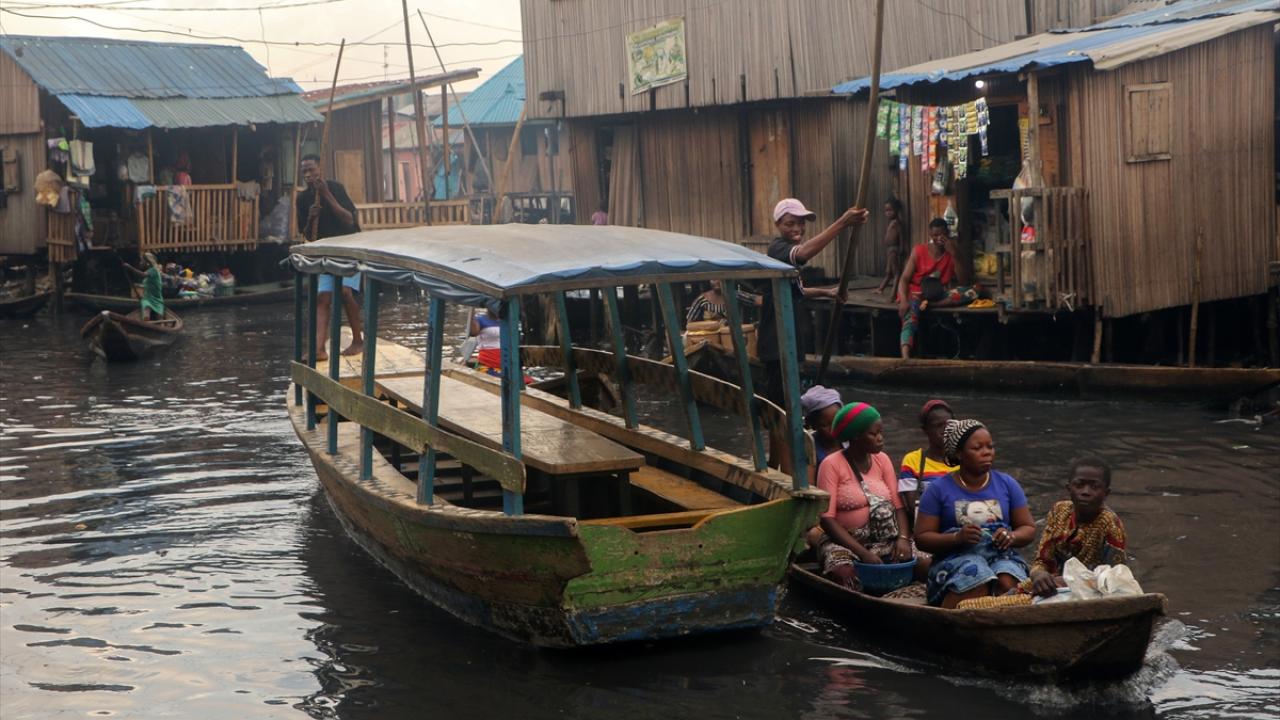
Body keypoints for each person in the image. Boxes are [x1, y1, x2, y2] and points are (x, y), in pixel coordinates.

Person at [757, 198, 869, 472]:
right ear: (778, 225)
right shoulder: (779, 249)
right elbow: (804, 253)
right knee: (785, 412)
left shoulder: (785, 259)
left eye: (800, 223)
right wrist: (843, 223)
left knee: (782, 408)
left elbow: (798, 290)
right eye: (790, 223)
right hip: (778, 344)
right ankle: (787, 474)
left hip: (786, 344)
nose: (797, 228)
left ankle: (774, 465)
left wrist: (828, 292)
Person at [914, 419, 1036, 608]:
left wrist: (1011, 536)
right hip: (956, 558)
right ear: (959, 453)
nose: (987, 452)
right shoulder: (938, 490)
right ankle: (951, 618)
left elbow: (1028, 528)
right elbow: (922, 538)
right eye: (977, 448)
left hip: (1000, 556)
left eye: (990, 446)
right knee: (976, 578)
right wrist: (957, 538)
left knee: (1007, 580)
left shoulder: (1007, 484)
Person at [815, 402, 929, 590]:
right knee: (847, 576)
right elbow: (827, 519)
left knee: (926, 565)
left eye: (881, 432)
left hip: (887, 539)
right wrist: (863, 553)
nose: (880, 438)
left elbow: (899, 506)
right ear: (855, 436)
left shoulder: (882, 459)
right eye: (873, 434)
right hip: (845, 544)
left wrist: (902, 538)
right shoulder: (831, 464)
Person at [1021, 456, 1127, 597]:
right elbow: (1042, 560)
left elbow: (1115, 578)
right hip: (1048, 584)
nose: (1086, 491)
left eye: (1094, 487)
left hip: (1089, 593)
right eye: (1079, 485)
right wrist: (1038, 574)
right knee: (1008, 595)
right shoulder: (1059, 510)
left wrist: (1067, 581)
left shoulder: (1110, 524)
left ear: (1106, 493)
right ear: (1069, 488)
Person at [297, 154, 363, 361]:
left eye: (311, 170)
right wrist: (311, 217)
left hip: (347, 248)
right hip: (326, 252)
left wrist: (326, 195)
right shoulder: (303, 199)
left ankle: (358, 341)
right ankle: (319, 348)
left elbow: (350, 220)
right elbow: (308, 235)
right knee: (323, 297)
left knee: (344, 292)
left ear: (320, 169)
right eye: (304, 171)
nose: (308, 175)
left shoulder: (335, 188)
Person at [895, 218, 955, 359]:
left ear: (947, 234)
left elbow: (964, 280)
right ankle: (905, 356)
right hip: (916, 294)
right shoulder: (919, 250)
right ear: (930, 235)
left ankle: (930, 305)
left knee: (974, 290)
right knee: (911, 316)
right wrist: (903, 300)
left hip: (936, 296)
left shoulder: (951, 253)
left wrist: (955, 253)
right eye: (935, 235)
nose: (938, 238)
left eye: (941, 235)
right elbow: (904, 279)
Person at [897, 399, 958, 524]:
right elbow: (913, 507)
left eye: (949, 424)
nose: (945, 430)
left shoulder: (964, 458)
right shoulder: (912, 461)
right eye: (938, 425)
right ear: (925, 430)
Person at [122, 252, 165, 321]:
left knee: (160, 318)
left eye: (142, 261)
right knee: (146, 311)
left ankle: (158, 323)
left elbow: (142, 275)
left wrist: (130, 267)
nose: (140, 263)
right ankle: (146, 323)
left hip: (156, 298)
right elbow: (146, 284)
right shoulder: (149, 271)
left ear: (147, 262)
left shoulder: (153, 270)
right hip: (147, 298)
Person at [876, 197, 906, 294]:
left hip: (894, 249)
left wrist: (902, 247)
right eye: (886, 211)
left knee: (896, 273)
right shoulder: (892, 222)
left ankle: (893, 294)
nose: (888, 213)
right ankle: (880, 289)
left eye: (890, 210)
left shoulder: (897, 222)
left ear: (896, 210)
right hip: (889, 249)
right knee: (888, 272)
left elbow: (901, 235)